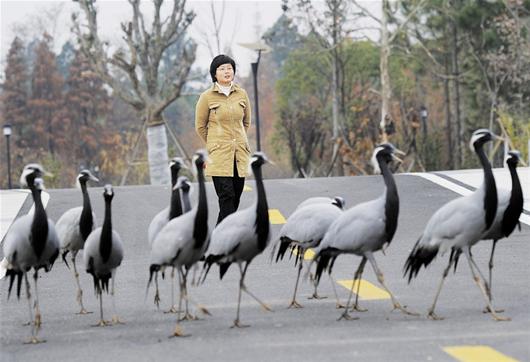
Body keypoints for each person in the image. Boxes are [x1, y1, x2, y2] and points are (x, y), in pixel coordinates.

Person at [195, 54, 252, 224]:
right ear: (214, 74)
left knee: (235, 198)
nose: (227, 71)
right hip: (219, 156)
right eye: (222, 69)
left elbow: (246, 122)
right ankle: (227, 239)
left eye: (229, 68)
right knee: (226, 197)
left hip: (239, 155)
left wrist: (237, 139)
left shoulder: (241, 94)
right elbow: (200, 126)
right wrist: (215, 143)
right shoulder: (207, 97)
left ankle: (218, 238)